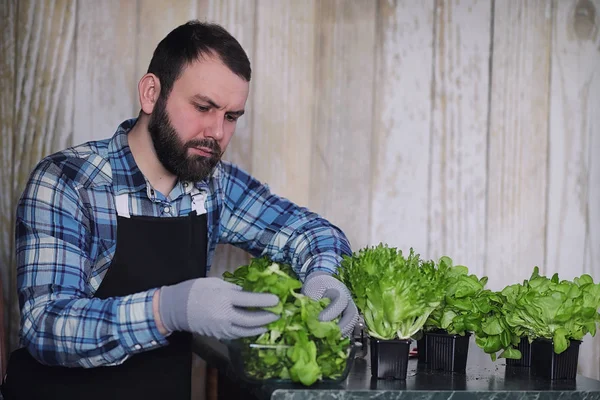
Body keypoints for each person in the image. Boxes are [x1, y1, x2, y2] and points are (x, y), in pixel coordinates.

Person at [1, 20, 358, 399]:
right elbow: (46, 327)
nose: (218, 132)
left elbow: (311, 232)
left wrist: (326, 277)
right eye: (204, 107)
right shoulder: (67, 181)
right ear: (151, 93)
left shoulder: (214, 186)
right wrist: (167, 309)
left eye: (232, 116)